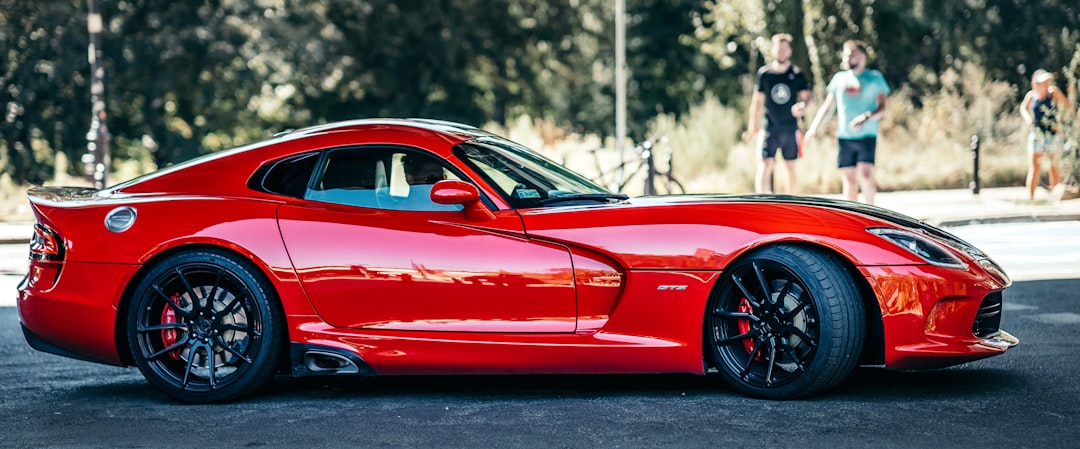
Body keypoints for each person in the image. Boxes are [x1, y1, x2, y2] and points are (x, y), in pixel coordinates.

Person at [806, 40, 889, 205]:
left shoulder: (874, 78)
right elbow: (828, 107)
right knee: (849, 179)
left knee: (865, 175)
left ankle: (871, 213)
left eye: (851, 54)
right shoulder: (839, 78)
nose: (846, 57)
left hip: (866, 135)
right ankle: (854, 218)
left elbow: (882, 108)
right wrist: (813, 128)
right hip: (844, 136)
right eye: (845, 54)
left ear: (862, 56)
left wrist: (865, 117)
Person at [746, 33, 813, 194]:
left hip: (790, 127)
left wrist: (803, 106)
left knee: (790, 165)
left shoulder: (797, 74)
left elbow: (808, 97)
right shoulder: (765, 74)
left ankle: (792, 201)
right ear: (773, 50)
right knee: (765, 163)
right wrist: (752, 124)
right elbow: (758, 101)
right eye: (778, 48)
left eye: (784, 48)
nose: (781, 51)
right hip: (770, 126)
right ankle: (762, 201)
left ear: (789, 51)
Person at [1019, 69, 1073, 201]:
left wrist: (1062, 120)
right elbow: (1023, 108)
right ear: (1036, 83)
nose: (1046, 83)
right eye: (1043, 81)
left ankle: (1056, 198)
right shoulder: (1031, 96)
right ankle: (1031, 199)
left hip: (1052, 135)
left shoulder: (1053, 92)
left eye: (1047, 81)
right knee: (1035, 168)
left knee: (1053, 166)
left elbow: (1068, 106)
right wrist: (1028, 120)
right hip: (1037, 134)